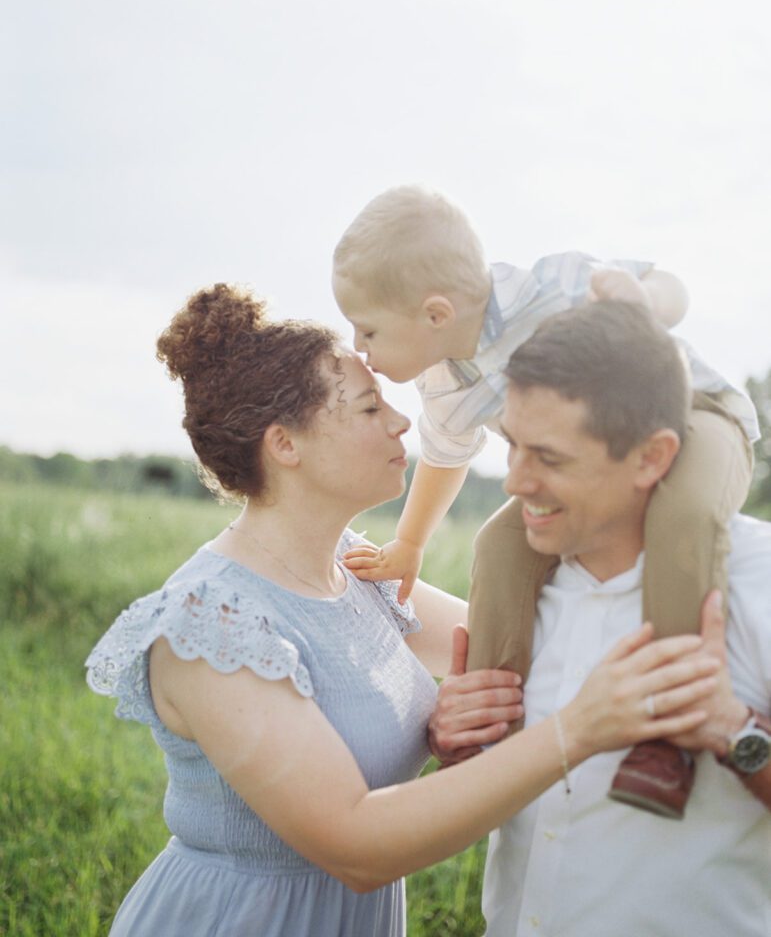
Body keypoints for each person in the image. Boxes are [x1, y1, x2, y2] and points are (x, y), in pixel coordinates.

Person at [86, 285, 719, 937]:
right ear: (285, 445)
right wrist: (576, 731)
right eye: (368, 407)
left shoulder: (358, 571)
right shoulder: (213, 622)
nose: (400, 421)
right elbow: (356, 846)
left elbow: (517, 643)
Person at [332, 184, 757, 816]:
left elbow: (670, 286)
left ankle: (667, 732)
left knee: (684, 518)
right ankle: (490, 728)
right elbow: (447, 455)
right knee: (498, 546)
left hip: (696, 419)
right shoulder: (445, 384)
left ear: (436, 313)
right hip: (583, 473)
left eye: (368, 330)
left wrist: (643, 301)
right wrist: (411, 542)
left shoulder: (552, 288)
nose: (360, 349)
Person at [430, 301, 771, 937]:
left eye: (550, 459)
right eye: (512, 447)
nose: (514, 482)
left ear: (651, 457)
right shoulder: (516, 592)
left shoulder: (761, 582)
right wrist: (462, 743)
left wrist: (733, 731)